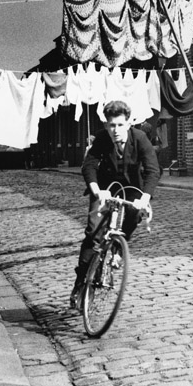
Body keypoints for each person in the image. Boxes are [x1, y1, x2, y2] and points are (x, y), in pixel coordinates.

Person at [71, 100, 161, 309]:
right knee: (94, 232)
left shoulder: (140, 139)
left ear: (129, 123)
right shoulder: (102, 139)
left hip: (132, 188)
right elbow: (89, 165)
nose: (116, 130)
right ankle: (82, 283)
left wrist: (144, 198)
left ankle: (119, 246)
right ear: (106, 125)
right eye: (111, 125)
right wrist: (96, 190)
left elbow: (152, 170)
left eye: (120, 125)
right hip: (104, 188)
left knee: (134, 213)